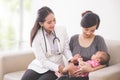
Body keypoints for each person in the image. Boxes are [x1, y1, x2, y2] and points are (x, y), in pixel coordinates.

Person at [21, 6, 73, 80]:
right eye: (49, 22)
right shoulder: (36, 36)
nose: (53, 24)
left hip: (56, 67)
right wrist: (57, 67)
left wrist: (70, 59)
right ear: (41, 23)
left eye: (54, 20)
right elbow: (42, 60)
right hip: (40, 66)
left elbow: (65, 48)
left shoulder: (62, 29)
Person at [57, 10, 108, 80]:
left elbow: (105, 64)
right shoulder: (73, 39)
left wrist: (90, 70)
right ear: (82, 25)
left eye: (92, 30)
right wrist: (73, 60)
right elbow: (69, 59)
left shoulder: (99, 40)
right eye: (86, 29)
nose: (88, 33)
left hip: (88, 76)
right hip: (73, 73)